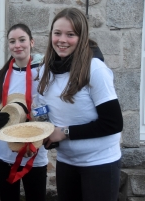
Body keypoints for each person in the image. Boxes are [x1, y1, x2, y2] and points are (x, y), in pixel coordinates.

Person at [38, 8, 123, 201]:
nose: (62, 40)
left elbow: (113, 123)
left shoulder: (95, 69)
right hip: (66, 162)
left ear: (82, 37)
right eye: (57, 33)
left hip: (100, 164)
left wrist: (65, 132)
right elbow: (45, 111)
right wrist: (40, 133)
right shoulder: (45, 70)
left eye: (71, 35)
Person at [0, 23, 48, 201]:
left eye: (22, 40)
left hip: (34, 152)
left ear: (32, 42)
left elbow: (50, 108)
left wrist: (33, 136)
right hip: (5, 153)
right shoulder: (2, 75)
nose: (17, 45)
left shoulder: (44, 72)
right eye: (12, 41)